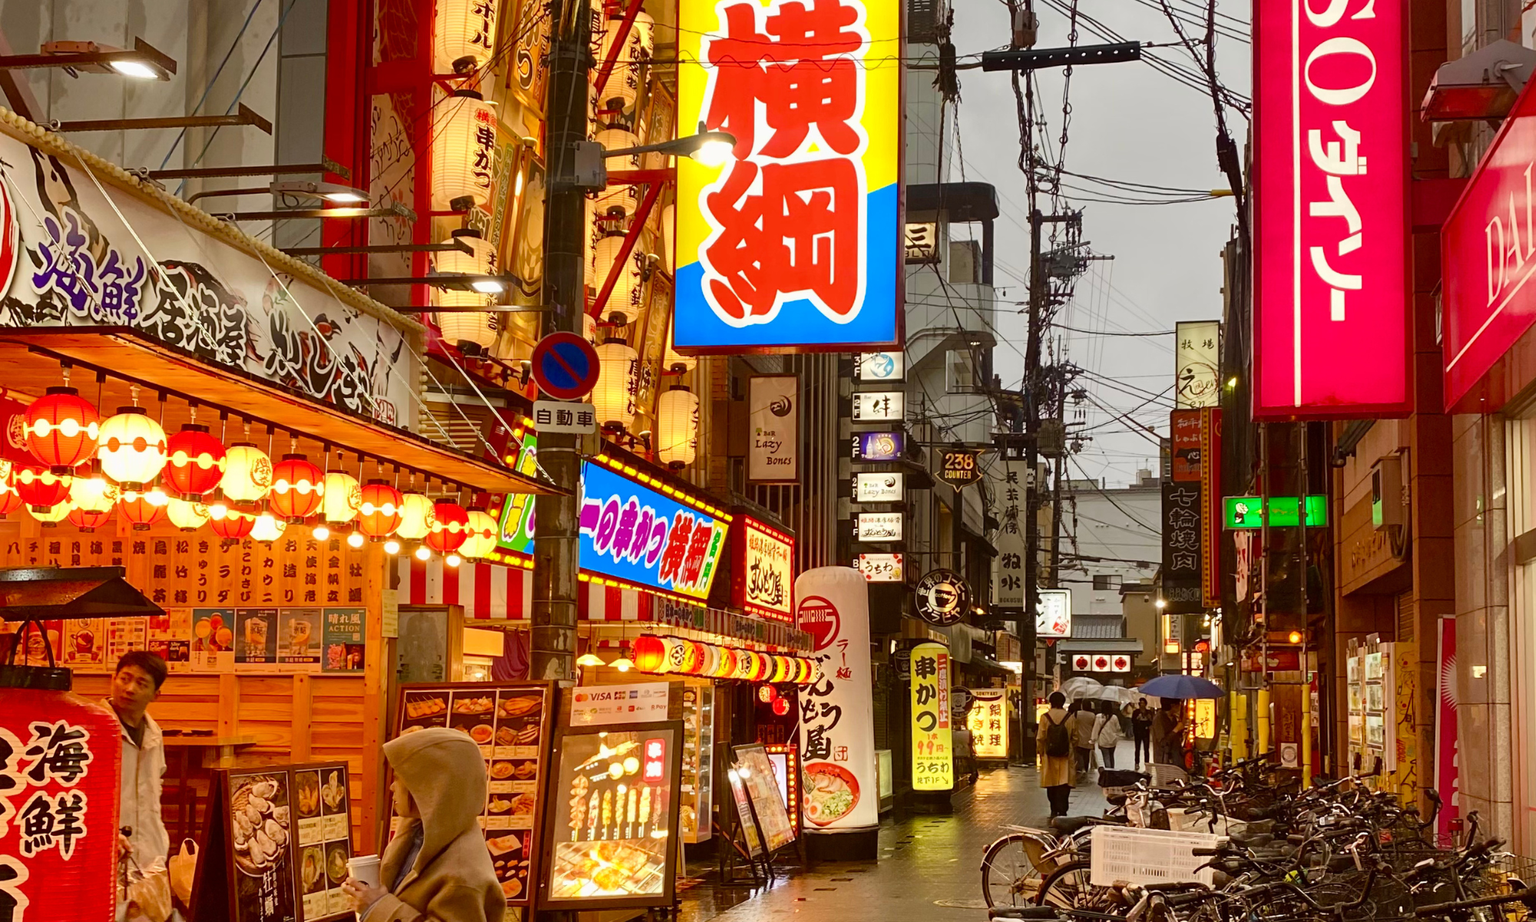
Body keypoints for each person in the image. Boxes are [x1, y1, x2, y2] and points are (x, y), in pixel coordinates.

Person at [342, 727, 505, 922]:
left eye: (398, 779)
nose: (392, 787)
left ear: (428, 786)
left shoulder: (463, 874)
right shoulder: (420, 831)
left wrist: (378, 907)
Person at [108, 651, 170, 897]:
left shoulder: (154, 732)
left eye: (141, 683)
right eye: (125, 678)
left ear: (156, 695)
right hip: (108, 848)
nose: (130, 689)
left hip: (150, 847)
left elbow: (158, 781)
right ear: (113, 679)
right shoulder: (93, 725)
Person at [1036, 692, 1073, 818]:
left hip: (1049, 755)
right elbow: (1075, 738)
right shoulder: (1070, 717)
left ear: (1051, 702)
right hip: (1066, 755)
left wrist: (1041, 752)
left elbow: (1040, 738)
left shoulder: (1045, 717)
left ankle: (1053, 808)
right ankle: (1063, 809)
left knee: (1051, 783)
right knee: (1064, 782)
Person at [1152, 699, 1188, 767]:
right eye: (1178, 704)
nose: (1179, 706)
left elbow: (1176, 737)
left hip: (1175, 758)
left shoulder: (1173, 718)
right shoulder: (1158, 718)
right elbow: (1162, 742)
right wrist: (1176, 729)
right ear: (1173, 706)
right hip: (1164, 759)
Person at [1071, 701, 1097, 780]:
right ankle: (1085, 768)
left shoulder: (1077, 714)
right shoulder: (1092, 715)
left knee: (1078, 754)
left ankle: (1080, 768)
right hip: (1088, 738)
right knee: (1086, 755)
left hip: (1078, 738)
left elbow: (1072, 723)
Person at [1131, 700, 1154, 768]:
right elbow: (1133, 721)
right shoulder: (1136, 712)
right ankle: (1137, 763)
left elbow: (1151, 722)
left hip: (1145, 732)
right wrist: (1138, 718)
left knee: (1146, 749)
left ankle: (1147, 763)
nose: (1142, 705)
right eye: (1141, 703)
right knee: (1137, 748)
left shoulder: (1149, 712)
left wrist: (1149, 719)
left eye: (1143, 703)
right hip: (1138, 732)